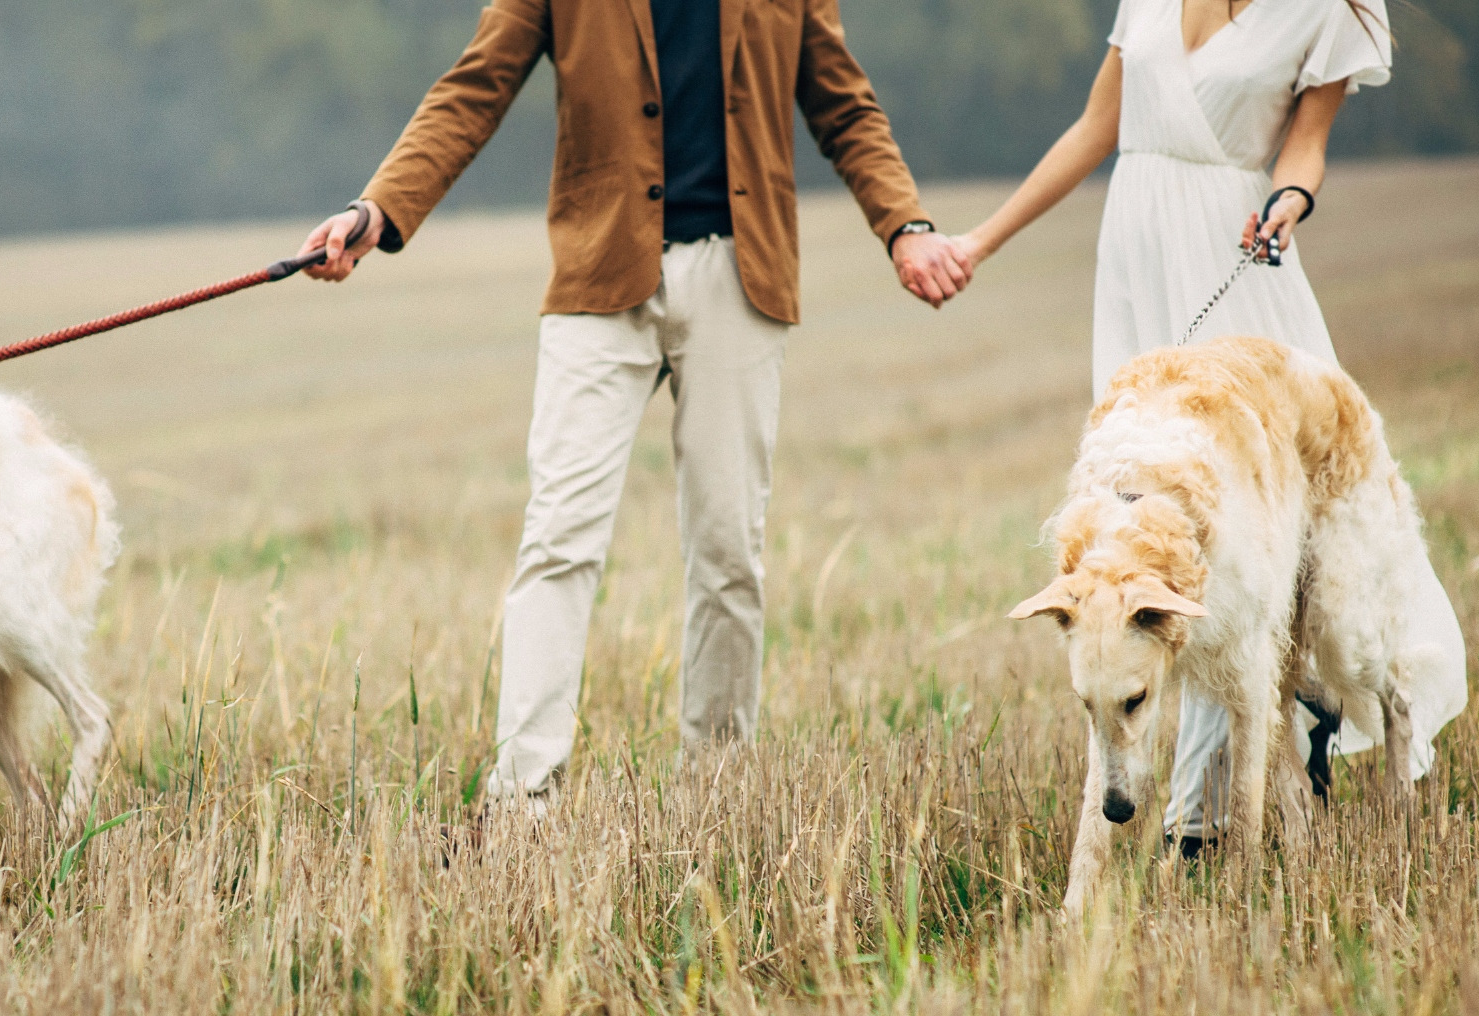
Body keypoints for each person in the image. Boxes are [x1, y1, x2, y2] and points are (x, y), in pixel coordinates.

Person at [297, 0, 973, 811]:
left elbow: (842, 102)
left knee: (729, 551)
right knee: (558, 540)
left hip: (742, 276)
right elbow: (474, 88)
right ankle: (523, 805)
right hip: (599, 273)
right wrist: (380, 208)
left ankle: (718, 796)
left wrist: (905, 224)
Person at [955, 0, 1466, 849]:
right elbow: (1095, 127)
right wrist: (981, 241)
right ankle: (1219, 804)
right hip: (1135, 249)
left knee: (1255, 547)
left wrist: (1291, 196)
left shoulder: (1327, 9)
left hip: (1237, 249)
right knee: (1153, 530)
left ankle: (1206, 813)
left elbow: (1306, 141)